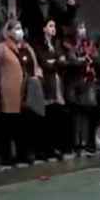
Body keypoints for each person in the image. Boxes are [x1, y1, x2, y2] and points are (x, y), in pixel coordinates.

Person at [0, 20, 42, 166]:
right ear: (8, 32)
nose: (19, 31)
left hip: (27, 92)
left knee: (26, 124)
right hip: (9, 92)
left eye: (21, 28)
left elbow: (36, 66)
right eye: (16, 28)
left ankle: (25, 153)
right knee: (8, 124)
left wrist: (37, 78)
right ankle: (6, 155)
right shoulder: (1, 48)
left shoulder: (28, 47)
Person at [33, 19, 70, 159]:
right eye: (50, 26)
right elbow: (44, 63)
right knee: (46, 118)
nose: (53, 28)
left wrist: (55, 62)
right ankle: (45, 149)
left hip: (58, 83)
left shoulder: (57, 44)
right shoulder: (39, 45)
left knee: (57, 118)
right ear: (44, 28)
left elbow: (63, 62)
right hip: (47, 85)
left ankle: (55, 148)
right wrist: (56, 62)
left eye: (54, 25)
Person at [64, 22, 99, 155]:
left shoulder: (89, 43)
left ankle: (84, 141)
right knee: (76, 113)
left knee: (86, 112)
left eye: (83, 27)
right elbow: (71, 60)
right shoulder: (70, 44)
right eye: (79, 27)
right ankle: (76, 142)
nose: (82, 30)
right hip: (74, 82)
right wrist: (82, 60)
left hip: (88, 82)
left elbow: (95, 57)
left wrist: (88, 58)